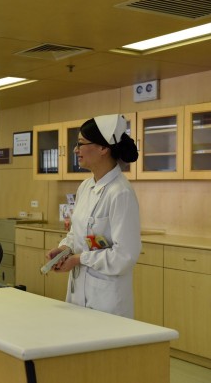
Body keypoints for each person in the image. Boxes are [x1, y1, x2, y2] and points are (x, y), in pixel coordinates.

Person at [45, 114, 140, 318]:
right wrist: (64, 249)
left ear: (103, 148)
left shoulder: (120, 193)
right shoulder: (85, 187)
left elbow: (124, 256)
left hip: (107, 299)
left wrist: (79, 259)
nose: (75, 150)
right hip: (78, 293)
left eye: (81, 143)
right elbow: (76, 234)